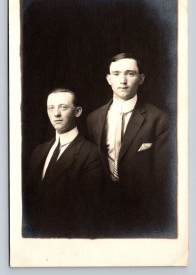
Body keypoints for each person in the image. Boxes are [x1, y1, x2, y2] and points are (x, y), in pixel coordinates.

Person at [87, 53, 174, 237]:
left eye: (130, 74)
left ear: (141, 78)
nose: (123, 81)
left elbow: (162, 175)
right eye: (116, 74)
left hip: (142, 210)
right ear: (108, 79)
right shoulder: (93, 118)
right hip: (100, 209)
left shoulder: (158, 119)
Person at [23, 88, 104, 238]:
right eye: (51, 108)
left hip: (67, 239)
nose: (56, 114)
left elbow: (88, 211)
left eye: (63, 107)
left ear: (77, 111)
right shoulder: (39, 151)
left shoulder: (91, 153)